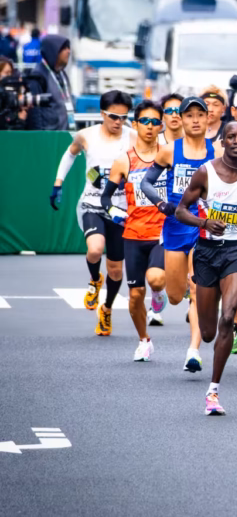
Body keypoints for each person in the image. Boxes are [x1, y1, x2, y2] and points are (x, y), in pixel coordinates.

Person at [175, 120, 237, 415]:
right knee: (208, 331)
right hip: (205, 253)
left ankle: (213, 391)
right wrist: (204, 222)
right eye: (232, 137)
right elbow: (180, 210)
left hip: (236, 251)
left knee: (227, 317)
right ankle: (206, 311)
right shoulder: (206, 172)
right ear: (223, 142)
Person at [139, 96, 213, 371]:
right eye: (189, 115)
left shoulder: (216, 152)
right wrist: (161, 203)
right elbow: (146, 182)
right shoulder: (170, 151)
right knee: (174, 294)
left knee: (196, 288)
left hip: (202, 227)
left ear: (208, 119)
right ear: (180, 120)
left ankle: (193, 351)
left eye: (200, 115)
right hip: (174, 226)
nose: (195, 120)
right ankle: (159, 298)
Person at [50, 89, 133, 330]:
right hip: (92, 204)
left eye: (123, 117)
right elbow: (69, 154)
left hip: (120, 209)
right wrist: (58, 183)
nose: (118, 122)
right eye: (113, 116)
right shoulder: (86, 135)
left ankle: (106, 308)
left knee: (116, 271)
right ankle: (95, 279)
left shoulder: (134, 137)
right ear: (102, 113)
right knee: (95, 250)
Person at [100, 100, 167, 359]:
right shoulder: (124, 160)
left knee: (156, 279)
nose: (150, 127)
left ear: (161, 126)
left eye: (155, 122)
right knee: (136, 295)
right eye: (145, 121)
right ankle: (144, 340)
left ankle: (159, 294)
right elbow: (106, 199)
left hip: (162, 232)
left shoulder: (168, 154)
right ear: (135, 124)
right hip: (133, 234)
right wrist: (116, 214)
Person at [25, 34, 73, 130]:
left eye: (69, 48)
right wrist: (40, 137)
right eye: (64, 48)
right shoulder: (38, 75)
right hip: (48, 138)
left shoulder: (62, 73)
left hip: (64, 135)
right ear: (53, 51)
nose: (68, 51)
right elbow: (35, 113)